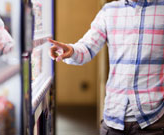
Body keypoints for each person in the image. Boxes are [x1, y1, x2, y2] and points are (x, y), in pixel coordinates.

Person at [48, 0, 164, 134]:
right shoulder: (109, 10)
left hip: (153, 122)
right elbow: (87, 47)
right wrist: (71, 50)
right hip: (113, 119)